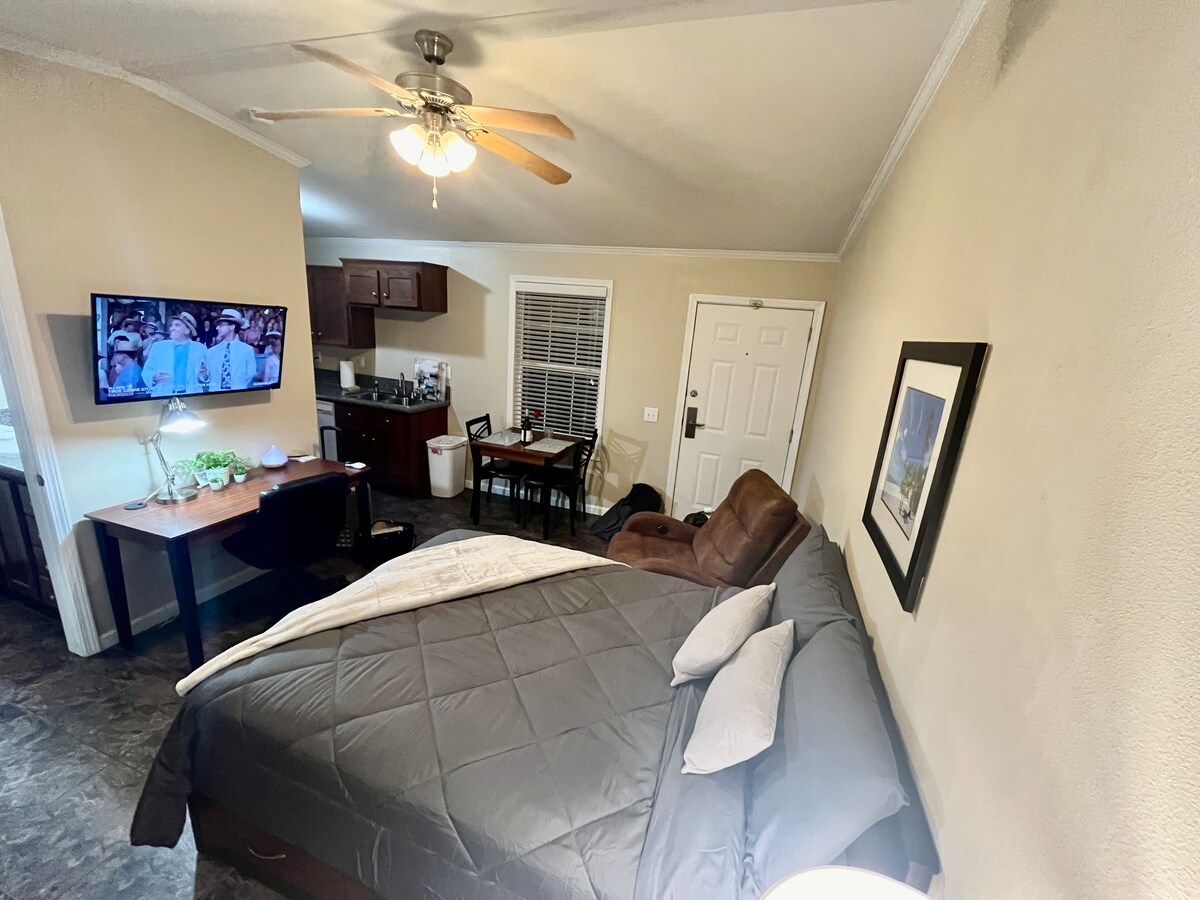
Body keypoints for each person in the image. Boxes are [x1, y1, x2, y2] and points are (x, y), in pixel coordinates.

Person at [142, 312, 206, 397]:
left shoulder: (200, 348)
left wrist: (204, 375)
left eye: (177, 325)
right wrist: (154, 377)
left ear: (187, 330)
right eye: (171, 325)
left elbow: (207, 376)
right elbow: (147, 371)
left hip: (192, 396)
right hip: (164, 395)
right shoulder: (158, 347)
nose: (172, 328)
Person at [200, 308, 256, 391]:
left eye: (221, 325)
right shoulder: (211, 352)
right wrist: (204, 375)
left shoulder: (247, 350)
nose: (217, 328)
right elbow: (207, 378)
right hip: (215, 394)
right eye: (217, 325)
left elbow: (250, 375)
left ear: (232, 327)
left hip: (239, 394)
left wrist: (238, 385)